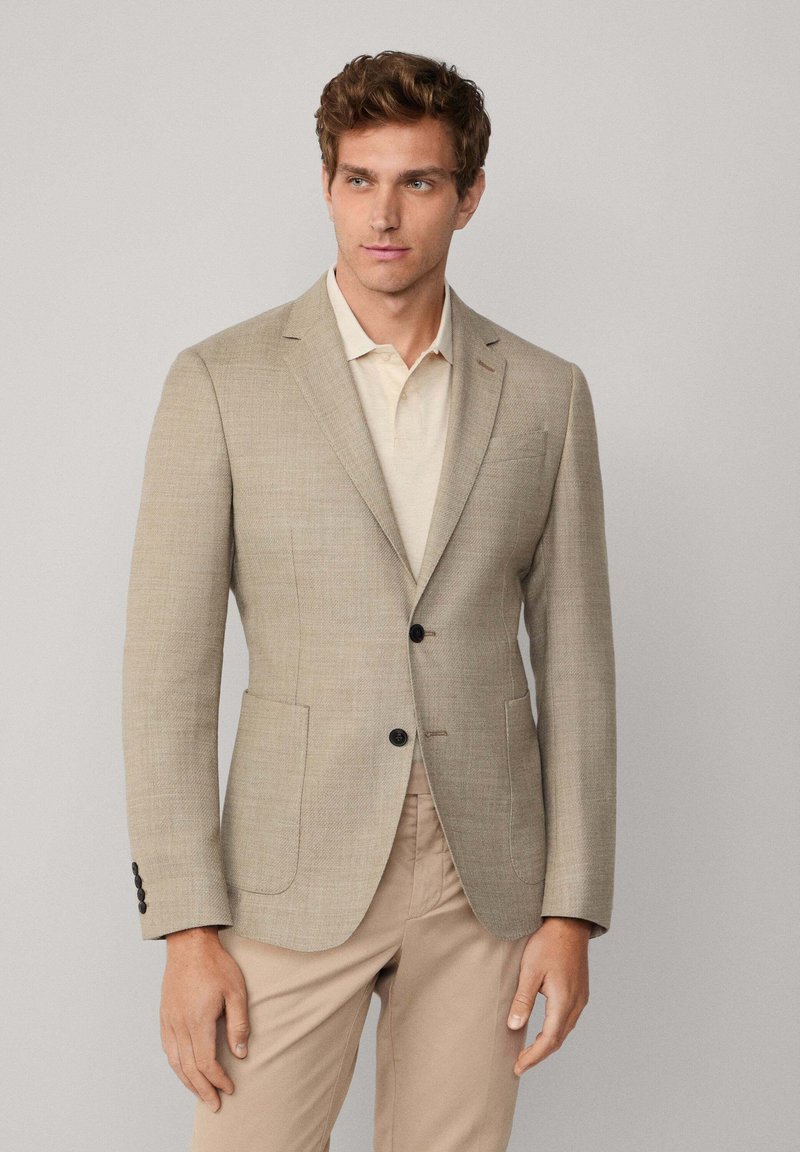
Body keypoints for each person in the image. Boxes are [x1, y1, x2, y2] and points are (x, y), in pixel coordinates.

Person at [122, 49, 617, 1152]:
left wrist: (570, 907)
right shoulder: (222, 381)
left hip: (484, 876)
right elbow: (166, 674)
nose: (383, 215)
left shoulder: (546, 396)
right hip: (288, 874)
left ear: (467, 196)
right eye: (359, 180)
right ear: (327, 184)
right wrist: (187, 927)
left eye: (418, 182)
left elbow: (578, 663)